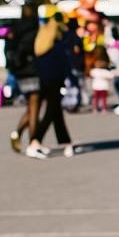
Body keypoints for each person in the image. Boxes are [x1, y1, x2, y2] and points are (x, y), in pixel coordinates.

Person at [29, 10, 76, 159]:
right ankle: (35, 142)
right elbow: (65, 62)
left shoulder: (42, 39)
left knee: (56, 112)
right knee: (51, 111)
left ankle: (65, 141)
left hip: (43, 80)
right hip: (55, 80)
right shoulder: (57, 41)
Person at [6, 3, 41, 151]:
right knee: (34, 107)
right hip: (33, 70)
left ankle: (18, 133)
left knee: (32, 106)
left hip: (20, 72)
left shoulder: (14, 29)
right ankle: (33, 142)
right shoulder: (35, 28)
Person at [88, 49, 116, 114]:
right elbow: (111, 76)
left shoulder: (94, 71)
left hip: (97, 87)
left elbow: (90, 74)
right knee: (103, 99)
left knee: (97, 99)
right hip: (103, 87)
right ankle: (103, 108)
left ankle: (95, 108)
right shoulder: (105, 72)